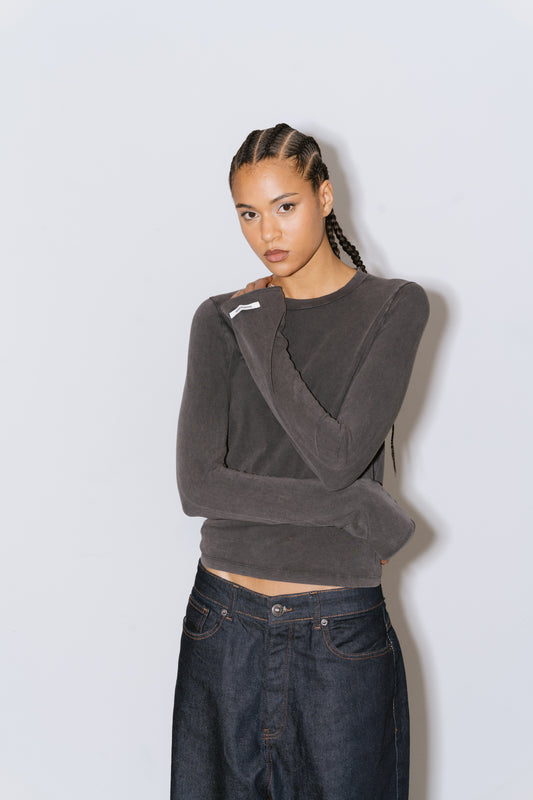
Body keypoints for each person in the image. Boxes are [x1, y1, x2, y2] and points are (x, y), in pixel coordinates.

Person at [170, 123, 429, 800]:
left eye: (284, 206)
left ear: (324, 196)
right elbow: (198, 486)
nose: (267, 233)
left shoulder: (393, 307)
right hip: (221, 623)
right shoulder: (219, 318)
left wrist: (262, 334)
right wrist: (355, 510)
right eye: (248, 214)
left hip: (336, 631)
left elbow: (338, 457)